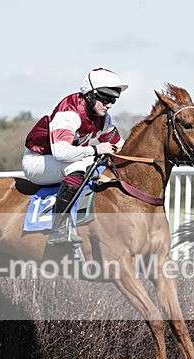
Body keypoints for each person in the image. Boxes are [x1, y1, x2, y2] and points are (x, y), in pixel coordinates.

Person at [22, 68, 127, 245]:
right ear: (91, 95)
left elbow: (120, 146)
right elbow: (61, 153)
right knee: (82, 165)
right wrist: (95, 150)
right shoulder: (69, 112)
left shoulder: (103, 118)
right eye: (106, 98)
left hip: (59, 160)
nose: (109, 104)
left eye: (113, 100)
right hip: (39, 161)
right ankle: (59, 229)